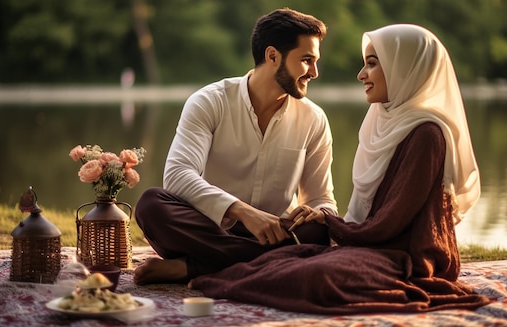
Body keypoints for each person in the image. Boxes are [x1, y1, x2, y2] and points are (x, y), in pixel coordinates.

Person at [189, 24, 491, 314]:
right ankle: (210, 264)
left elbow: (391, 222)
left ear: (405, 68)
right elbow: (366, 218)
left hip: (405, 254)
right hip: (368, 242)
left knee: (312, 270)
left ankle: (197, 266)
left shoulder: (426, 133)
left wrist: (328, 222)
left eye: (372, 64)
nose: (361, 75)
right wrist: (320, 220)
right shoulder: (384, 120)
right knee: (287, 256)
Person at [133, 8, 338, 285]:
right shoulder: (210, 101)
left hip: (274, 234)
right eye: (306, 60)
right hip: (208, 229)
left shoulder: (314, 119)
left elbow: (322, 200)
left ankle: (194, 268)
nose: (314, 72)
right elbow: (178, 175)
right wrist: (242, 212)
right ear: (272, 56)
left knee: (320, 232)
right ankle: (269, 263)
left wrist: (320, 213)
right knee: (151, 205)